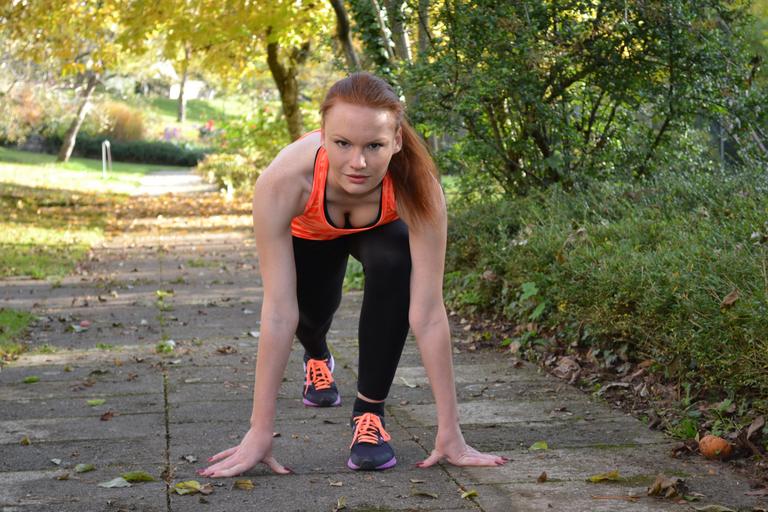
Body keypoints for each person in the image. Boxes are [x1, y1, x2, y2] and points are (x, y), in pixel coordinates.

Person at [199, 72, 507, 477]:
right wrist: (260, 431)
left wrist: (451, 432)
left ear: (396, 141)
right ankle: (316, 356)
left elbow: (429, 313)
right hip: (310, 232)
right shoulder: (283, 182)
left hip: (380, 231)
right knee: (309, 315)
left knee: (396, 260)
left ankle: (370, 415)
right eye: (343, 143)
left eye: (374, 146)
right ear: (323, 134)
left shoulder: (418, 186)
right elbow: (277, 312)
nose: (358, 163)